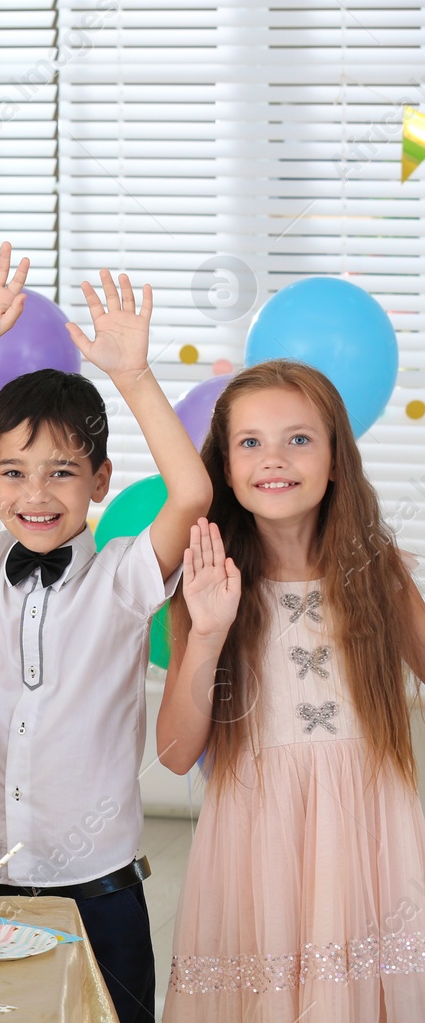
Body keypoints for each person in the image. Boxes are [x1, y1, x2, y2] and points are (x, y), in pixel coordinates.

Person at [0, 248, 212, 1023]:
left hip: (98, 885)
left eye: (62, 472)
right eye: (13, 472)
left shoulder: (126, 577)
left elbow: (192, 488)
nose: (35, 493)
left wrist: (131, 375)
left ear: (100, 481)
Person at [157, 360, 425, 1020]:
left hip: (367, 835)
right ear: (224, 464)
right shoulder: (206, 579)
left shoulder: (377, 570)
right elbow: (172, 751)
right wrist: (210, 630)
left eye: (299, 438)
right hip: (256, 835)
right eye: (250, 442)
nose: (273, 458)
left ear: (337, 459)